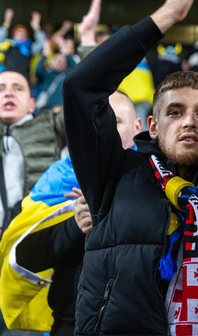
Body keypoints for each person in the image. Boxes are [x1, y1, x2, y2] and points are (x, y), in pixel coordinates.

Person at [62, 0, 198, 335]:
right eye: (174, 112)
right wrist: (168, 15)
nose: (188, 121)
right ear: (152, 127)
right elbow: (80, 88)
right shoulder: (113, 173)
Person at [0, 91, 141, 336]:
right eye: (95, 123)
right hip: (70, 324)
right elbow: (24, 258)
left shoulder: (157, 180)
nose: (103, 131)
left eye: (115, 122)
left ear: (137, 126)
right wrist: (73, 226)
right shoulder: (57, 180)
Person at [0, 65, 66, 233]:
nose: (8, 93)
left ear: (32, 104)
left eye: (18, 88)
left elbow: (88, 100)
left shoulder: (51, 123)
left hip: (40, 231)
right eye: (1, 89)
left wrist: (88, 44)